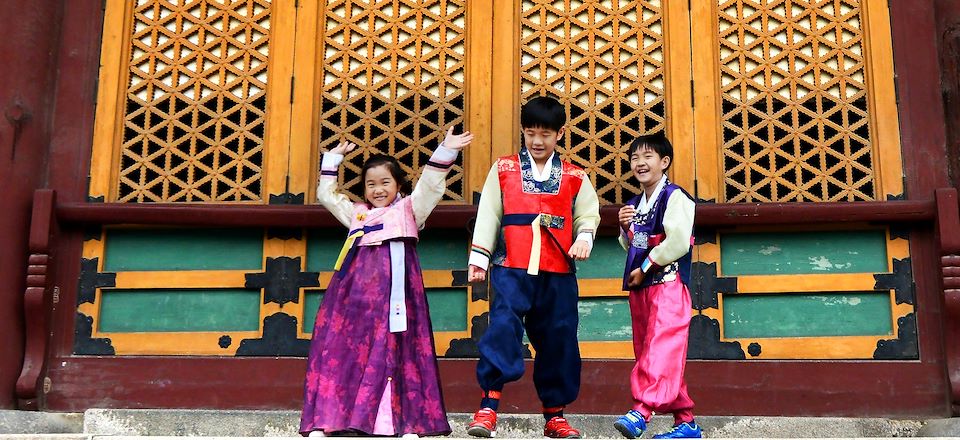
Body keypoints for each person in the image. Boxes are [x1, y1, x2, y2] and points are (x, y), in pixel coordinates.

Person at [300, 127, 474, 438]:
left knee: (398, 352)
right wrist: (333, 160)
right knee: (343, 352)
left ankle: (402, 422)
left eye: (385, 183)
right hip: (352, 301)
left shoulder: (409, 210)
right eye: (371, 184)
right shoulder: (357, 214)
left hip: (397, 298)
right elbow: (327, 195)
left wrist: (446, 150)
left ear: (398, 185)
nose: (378, 189)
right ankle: (332, 420)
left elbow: (430, 187)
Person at [465, 96, 601, 439]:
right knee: (503, 328)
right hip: (512, 265)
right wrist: (479, 258)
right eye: (530, 134)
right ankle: (488, 406)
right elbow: (489, 214)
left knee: (559, 337)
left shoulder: (575, 175)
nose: (537, 142)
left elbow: (588, 214)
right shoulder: (504, 169)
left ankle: (555, 415)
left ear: (560, 134)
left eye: (545, 134)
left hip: (558, 268)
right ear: (523, 133)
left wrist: (584, 237)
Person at [612, 133, 701, 439]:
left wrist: (647, 266)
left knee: (661, 351)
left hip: (668, 284)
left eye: (648, 156)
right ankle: (685, 422)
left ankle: (642, 411)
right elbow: (635, 245)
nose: (640, 163)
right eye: (635, 157)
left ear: (664, 162)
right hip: (641, 289)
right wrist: (626, 227)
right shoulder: (636, 203)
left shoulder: (676, 196)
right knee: (650, 352)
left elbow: (677, 242)